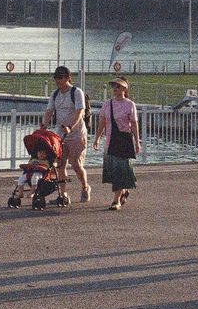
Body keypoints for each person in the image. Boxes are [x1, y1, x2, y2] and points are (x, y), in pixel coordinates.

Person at [42, 66, 90, 206]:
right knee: (60, 165)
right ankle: (63, 194)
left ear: (68, 77)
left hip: (76, 133)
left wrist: (70, 126)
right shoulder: (55, 94)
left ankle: (85, 187)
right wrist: (44, 123)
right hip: (60, 134)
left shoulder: (76, 92)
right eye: (56, 78)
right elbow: (49, 110)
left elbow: (80, 111)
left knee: (76, 164)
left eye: (61, 77)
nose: (58, 80)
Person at [93, 77, 140, 210]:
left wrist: (137, 142)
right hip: (110, 141)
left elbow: (134, 125)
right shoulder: (107, 104)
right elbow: (102, 122)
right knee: (114, 171)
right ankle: (123, 191)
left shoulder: (130, 104)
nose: (115, 89)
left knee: (120, 171)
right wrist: (97, 138)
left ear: (125, 88)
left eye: (118, 86)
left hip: (123, 142)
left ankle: (116, 200)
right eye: (114, 86)